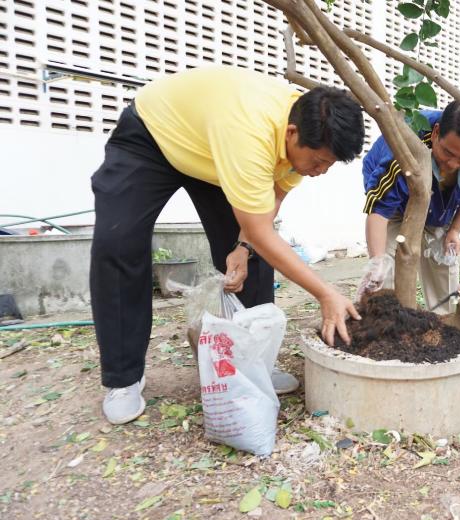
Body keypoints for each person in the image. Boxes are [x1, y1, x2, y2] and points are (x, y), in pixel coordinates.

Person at [90, 66, 365, 425]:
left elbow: (270, 203)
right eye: (318, 162)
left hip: (216, 151)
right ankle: (124, 378)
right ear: (291, 134)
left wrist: (243, 248)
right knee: (118, 241)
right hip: (155, 135)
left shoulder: (304, 134)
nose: (320, 171)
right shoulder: (250, 133)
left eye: (328, 164)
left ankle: (254, 363)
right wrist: (325, 293)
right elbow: (263, 231)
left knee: (255, 257)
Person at [357, 100, 460, 312]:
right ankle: (385, 318)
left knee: (443, 262)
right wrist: (376, 262)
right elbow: (380, 210)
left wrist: (455, 230)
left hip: (441, 207)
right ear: (436, 133)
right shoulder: (404, 148)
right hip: (395, 206)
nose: (453, 164)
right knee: (384, 271)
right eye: (448, 153)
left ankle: (444, 320)